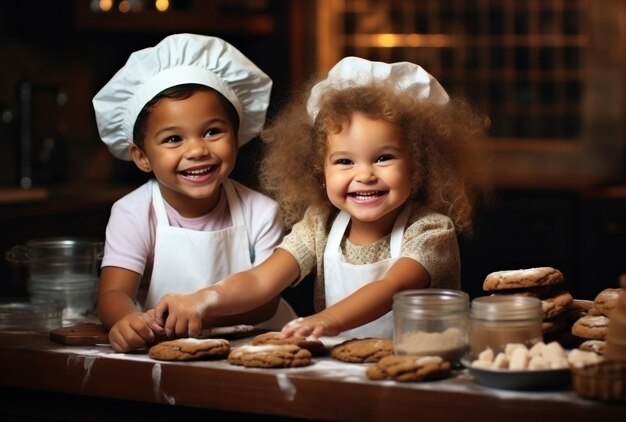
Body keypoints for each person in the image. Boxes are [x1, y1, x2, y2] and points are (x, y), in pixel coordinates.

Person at [152, 56, 491, 340]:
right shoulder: (320, 226)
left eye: (383, 157)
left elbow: (391, 287)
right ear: (319, 170)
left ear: (419, 166)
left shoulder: (431, 232)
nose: (365, 174)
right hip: (340, 375)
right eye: (345, 161)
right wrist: (203, 300)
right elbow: (261, 279)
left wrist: (328, 320)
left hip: (425, 371)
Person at [92, 33, 295, 352]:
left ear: (236, 135)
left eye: (213, 132)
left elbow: (266, 304)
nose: (198, 150)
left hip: (256, 344)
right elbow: (112, 294)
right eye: (173, 139)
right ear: (142, 157)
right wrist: (128, 321)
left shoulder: (261, 210)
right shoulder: (133, 213)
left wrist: (201, 310)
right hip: (165, 346)